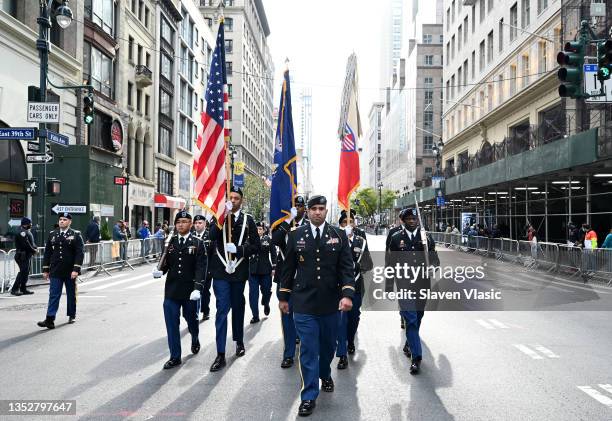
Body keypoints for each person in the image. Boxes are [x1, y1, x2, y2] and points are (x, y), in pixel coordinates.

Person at [278, 195, 355, 417]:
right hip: (303, 302)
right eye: (313, 209)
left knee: (328, 346)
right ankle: (309, 395)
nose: (318, 212)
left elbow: (346, 268)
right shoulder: (295, 235)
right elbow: (287, 268)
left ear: (326, 210)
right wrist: (284, 297)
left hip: (331, 302)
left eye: (321, 208)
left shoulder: (338, 235)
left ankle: (325, 372)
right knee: (309, 349)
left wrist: (347, 294)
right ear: (308, 211)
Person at [207, 187, 261, 372]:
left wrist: (238, 250)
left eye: (236, 198)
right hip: (221, 271)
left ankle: (238, 341)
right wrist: (223, 217)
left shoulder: (248, 220)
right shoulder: (219, 217)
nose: (233, 200)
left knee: (238, 307)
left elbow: (256, 246)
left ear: (242, 201)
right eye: (230, 198)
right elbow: (211, 236)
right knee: (222, 309)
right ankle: (220, 353)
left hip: (239, 272)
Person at [386, 208, 439, 375]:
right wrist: (389, 287)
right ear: (402, 220)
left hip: (422, 284)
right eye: (408, 219)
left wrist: (433, 267)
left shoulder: (426, 238)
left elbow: (435, 260)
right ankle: (416, 358)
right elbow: (390, 265)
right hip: (404, 285)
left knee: (418, 317)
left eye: (414, 218)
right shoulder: (395, 238)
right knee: (410, 319)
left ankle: (410, 342)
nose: (411, 221)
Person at [158, 211, 207, 369]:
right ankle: (175, 356)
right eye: (178, 221)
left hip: (190, 291)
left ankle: (195, 336)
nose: (181, 224)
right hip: (172, 290)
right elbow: (165, 263)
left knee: (191, 319)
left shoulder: (198, 243)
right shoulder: (169, 242)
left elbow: (201, 268)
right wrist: (159, 270)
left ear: (191, 224)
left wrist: (198, 288)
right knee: (172, 324)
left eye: (185, 221)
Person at [271, 195, 309, 368]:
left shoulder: (310, 226)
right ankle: (288, 354)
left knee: (304, 316)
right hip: (286, 279)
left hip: (304, 279)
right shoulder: (282, 225)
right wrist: (289, 220)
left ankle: (305, 348)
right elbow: (276, 240)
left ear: (305, 209)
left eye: (300, 206)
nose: (298, 208)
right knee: (286, 316)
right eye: (295, 206)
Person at [335, 210, 372, 369]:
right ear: (340, 225)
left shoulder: (361, 242)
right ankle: (341, 354)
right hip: (338, 286)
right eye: (344, 223)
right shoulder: (334, 240)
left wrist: (356, 265)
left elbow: (368, 264)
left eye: (350, 222)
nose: (347, 225)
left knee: (353, 318)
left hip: (357, 286)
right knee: (341, 320)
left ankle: (350, 340)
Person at [37, 213, 84, 329]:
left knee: (71, 294)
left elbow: (79, 253)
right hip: (56, 270)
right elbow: (48, 252)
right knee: (54, 294)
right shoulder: (53, 234)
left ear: (69, 222)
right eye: (60, 219)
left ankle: (71, 314)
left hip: (70, 270)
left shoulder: (76, 234)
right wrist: (45, 269)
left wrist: (76, 269)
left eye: (64, 219)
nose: (62, 221)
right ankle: (50, 319)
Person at [248, 222, 275, 324]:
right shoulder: (250, 239)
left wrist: (274, 267)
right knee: (253, 295)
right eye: (257, 229)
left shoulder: (268, 239)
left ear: (264, 230)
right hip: (253, 271)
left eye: (260, 229)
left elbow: (273, 253)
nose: (258, 231)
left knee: (267, 291)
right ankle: (255, 315)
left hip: (265, 270)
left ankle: (266, 302)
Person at [192, 214, 213, 321]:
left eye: (200, 223)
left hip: (206, 270)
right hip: (193, 271)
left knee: (205, 292)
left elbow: (213, 254)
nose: (197, 225)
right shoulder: (191, 236)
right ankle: (194, 313)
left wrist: (212, 270)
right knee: (194, 292)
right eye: (196, 223)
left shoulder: (210, 236)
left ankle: (205, 311)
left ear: (205, 224)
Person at [11, 217, 38, 296]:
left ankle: (23, 289)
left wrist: (35, 248)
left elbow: (31, 243)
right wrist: (34, 250)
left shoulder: (26, 231)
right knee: (22, 272)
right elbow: (26, 244)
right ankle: (14, 289)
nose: (31, 225)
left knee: (26, 272)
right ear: (25, 224)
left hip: (26, 255)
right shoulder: (22, 232)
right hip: (22, 255)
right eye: (30, 223)